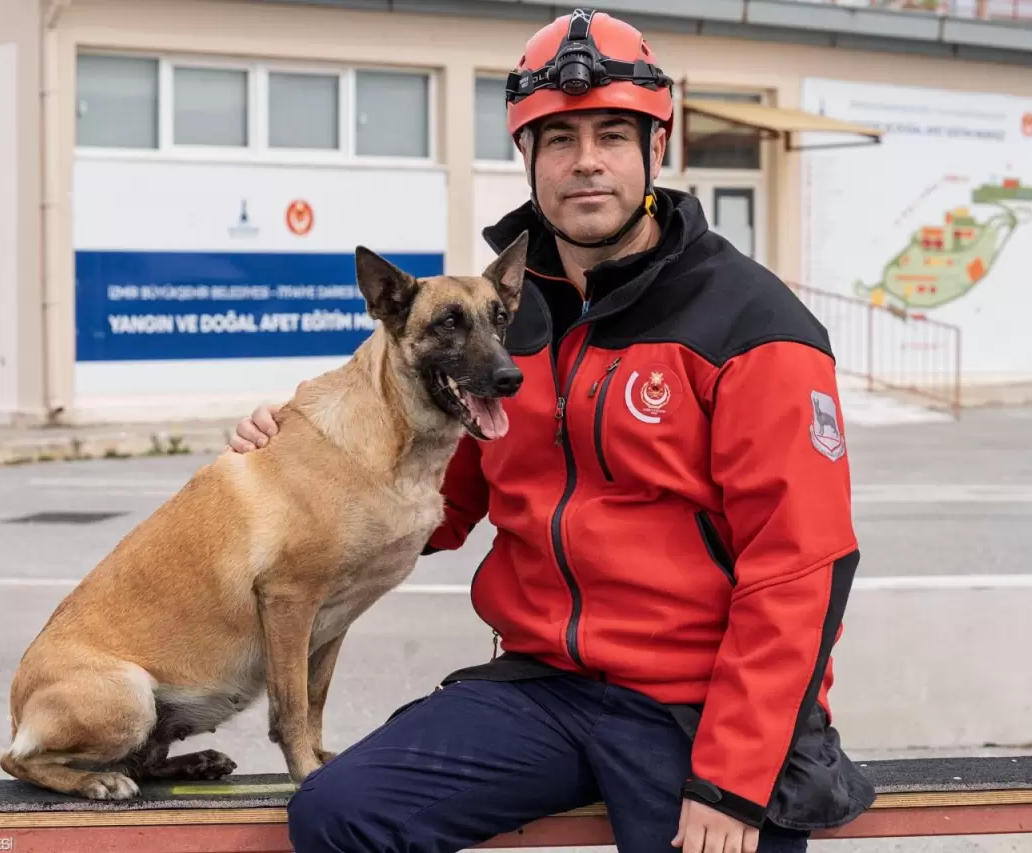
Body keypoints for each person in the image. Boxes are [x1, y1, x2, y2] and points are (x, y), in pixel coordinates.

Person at [227, 8, 875, 853]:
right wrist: (299, 469)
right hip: (544, 688)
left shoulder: (752, 325)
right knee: (339, 813)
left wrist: (735, 780)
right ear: (528, 157)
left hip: (702, 704)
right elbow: (433, 506)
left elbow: (799, 569)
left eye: (613, 134)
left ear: (657, 149)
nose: (587, 163)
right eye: (558, 139)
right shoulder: (502, 318)